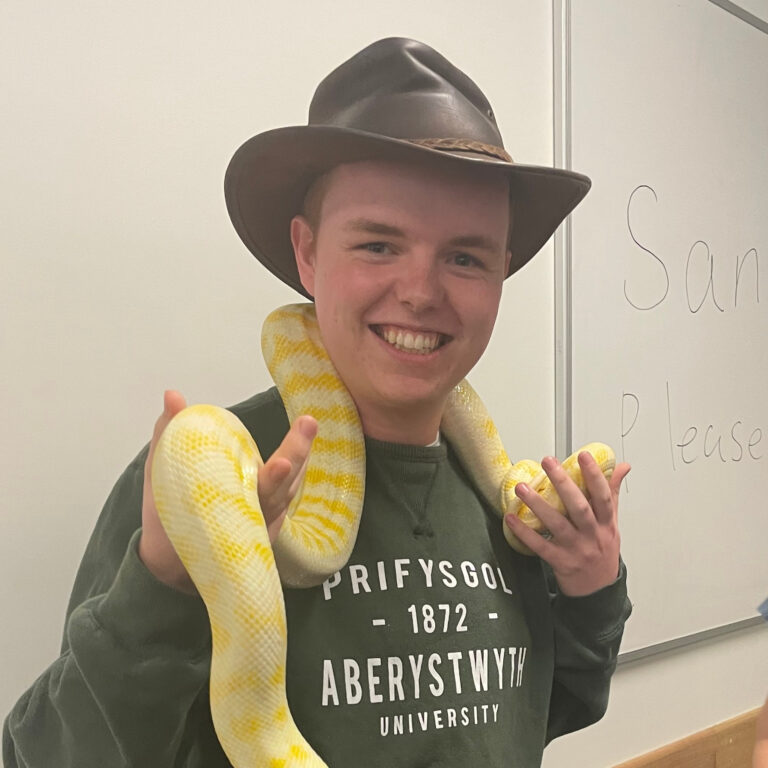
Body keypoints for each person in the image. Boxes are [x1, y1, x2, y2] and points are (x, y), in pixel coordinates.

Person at [3, 37, 631, 767]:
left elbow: (546, 709)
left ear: (502, 274)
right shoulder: (211, 481)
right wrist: (164, 588)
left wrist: (593, 589)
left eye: (465, 256)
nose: (421, 292)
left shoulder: (507, 508)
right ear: (307, 253)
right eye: (377, 245)